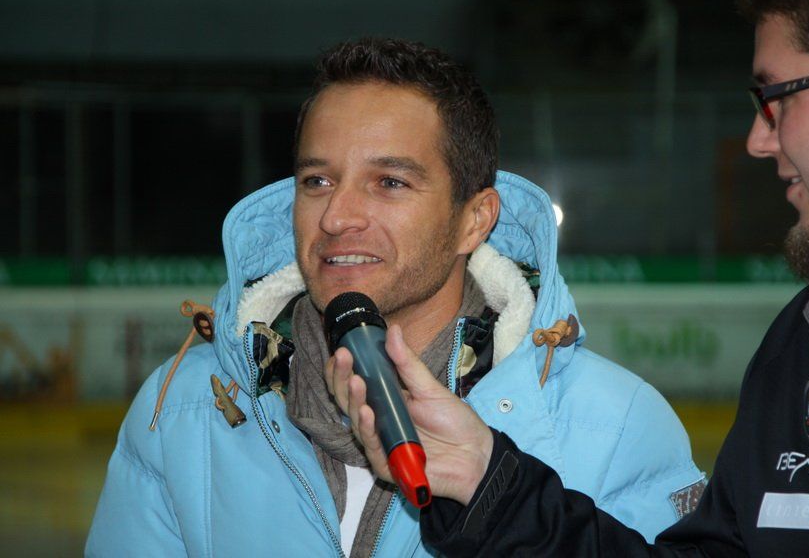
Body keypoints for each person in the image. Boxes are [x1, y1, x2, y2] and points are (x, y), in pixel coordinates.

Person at [86, 38, 703, 557]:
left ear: (474, 220)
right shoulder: (183, 409)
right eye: (317, 179)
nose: (337, 216)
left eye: (390, 182)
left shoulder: (619, 425)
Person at [330, 0, 809, 556]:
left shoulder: (624, 418)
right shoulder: (802, 345)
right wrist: (487, 489)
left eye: (778, 97)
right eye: (316, 182)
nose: (758, 138)